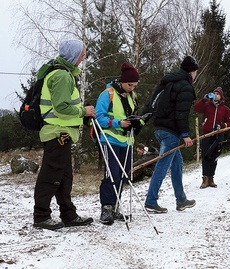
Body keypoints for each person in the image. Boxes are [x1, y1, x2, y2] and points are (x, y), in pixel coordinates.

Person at [33, 39, 95, 230]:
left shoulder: (64, 73)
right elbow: (61, 108)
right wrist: (83, 112)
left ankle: (69, 214)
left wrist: (82, 117)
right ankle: (41, 216)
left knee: (64, 177)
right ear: (73, 55)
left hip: (62, 133)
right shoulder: (61, 75)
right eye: (82, 55)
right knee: (50, 176)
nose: (83, 58)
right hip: (56, 133)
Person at [144, 56, 198, 214]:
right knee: (162, 166)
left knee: (177, 164)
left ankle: (181, 200)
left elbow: (151, 102)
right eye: (195, 72)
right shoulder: (185, 86)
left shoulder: (168, 81)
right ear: (192, 72)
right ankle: (151, 201)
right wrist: (186, 134)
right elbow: (182, 113)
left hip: (160, 128)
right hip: (170, 132)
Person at [95, 63, 142, 225]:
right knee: (112, 174)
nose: (131, 88)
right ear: (122, 81)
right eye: (130, 84)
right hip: (110, 140)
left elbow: (132, 116)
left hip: (127, 141)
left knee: (123, 176)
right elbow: (98, 117)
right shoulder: (108, 94)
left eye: (135, 86)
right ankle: (106, 208)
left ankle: (115, 207)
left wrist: (138, 123)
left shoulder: (132, 96)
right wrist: (117, 123)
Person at [194, 87, 230, 188]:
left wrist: (222, 125)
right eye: (214, 93)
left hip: (218, 136)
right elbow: (196, 109)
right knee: (206, 156)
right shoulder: (207, 105)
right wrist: (204, 99)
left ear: (221, 96)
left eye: (217, 93)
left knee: (214, 157)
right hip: (207, 134)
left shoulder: (225, 109)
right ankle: (205, 179)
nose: (215, 95)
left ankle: (211, 178)